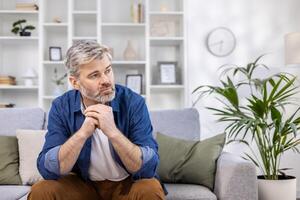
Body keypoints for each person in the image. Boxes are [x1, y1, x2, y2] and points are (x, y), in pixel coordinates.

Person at [28, 40, 165, 200]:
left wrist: (112, 132)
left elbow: (148, 167)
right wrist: (82, 134)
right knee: (42, 190)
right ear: (75, 82)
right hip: (82, 185)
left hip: (127, 183)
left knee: (150, 188)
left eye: (108, 70)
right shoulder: (61, 106)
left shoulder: (133, 102)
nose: (106, 80)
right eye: (95, 75)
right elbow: (48, 169)